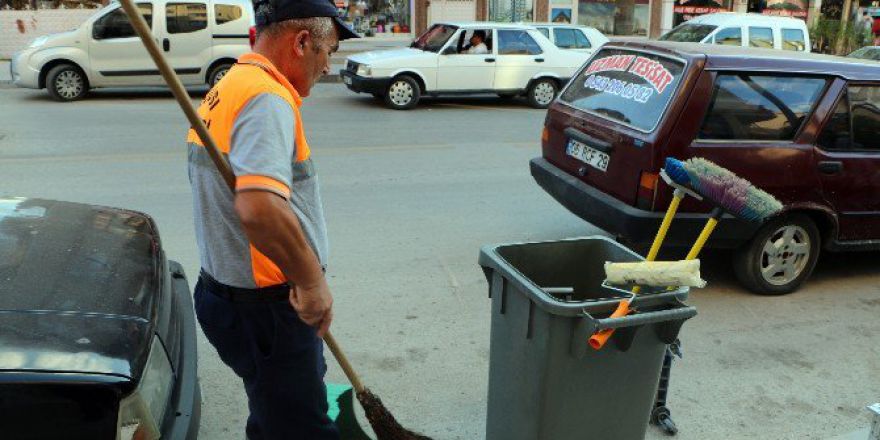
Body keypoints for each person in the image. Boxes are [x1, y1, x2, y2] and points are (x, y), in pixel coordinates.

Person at [185, 0, 358, 438]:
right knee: (301, 429)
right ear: (302, 42)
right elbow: (259, 208)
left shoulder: (230, 85)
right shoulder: (267, 97)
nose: (327, 66)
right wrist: (312, 282)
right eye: (328, 52)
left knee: (273, 411)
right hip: (267, 311)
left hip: (227, 298)